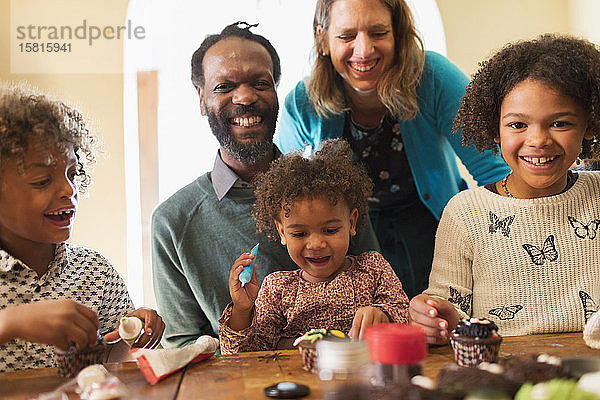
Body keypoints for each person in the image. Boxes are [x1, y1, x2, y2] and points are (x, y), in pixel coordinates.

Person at [151, 22, 379, 348]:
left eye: (260, 83)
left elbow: (380, 295)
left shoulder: (337, 191)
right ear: (201, 100)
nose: (245, 97)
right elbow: (185, 347)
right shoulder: (172, 223)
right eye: (223, 86)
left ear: (276, 93)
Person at [276, 0, 510, 299]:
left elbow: (494, 170)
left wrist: (504, 256)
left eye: (378, 32)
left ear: (398, 34)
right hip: (349, 238)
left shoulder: (433, 78)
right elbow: (287, 196)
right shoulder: (303, 102)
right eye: (346, 36)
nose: (363, 50)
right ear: (322, 39)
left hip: (432, 229)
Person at [409, 34, 600, 344]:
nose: (538, 140)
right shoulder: (465, 213)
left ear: (589, 125)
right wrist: (433, 317)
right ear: (494, 128)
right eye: (517, 125)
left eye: (560, 123)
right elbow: (448, 308)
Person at [0, 83, 164, 372]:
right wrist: (11, 323)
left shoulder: (95, 272)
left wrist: (135, 335)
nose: (69, 189)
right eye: (42, 181)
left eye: (72, 174)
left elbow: (115, 361)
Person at [219, 139, 409, 354]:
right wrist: (242, 311)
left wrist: (383, 315)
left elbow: (406, 317)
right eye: (299, 234)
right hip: (297, 382)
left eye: (330, 230)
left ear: (351, 223)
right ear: (282, 232)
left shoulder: (373, 269)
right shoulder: (277, 289)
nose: (316, 244)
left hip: (364, 380)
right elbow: (242, 356)